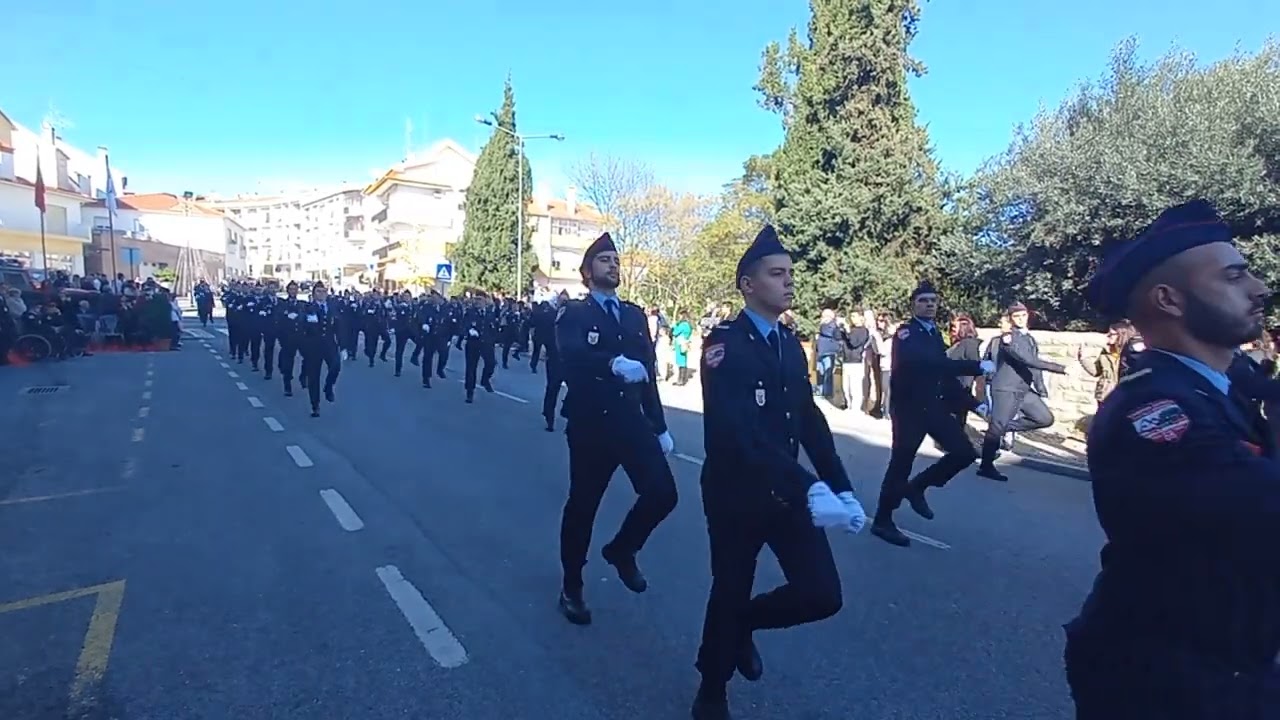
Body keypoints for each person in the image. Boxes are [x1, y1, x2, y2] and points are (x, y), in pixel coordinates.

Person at [1066, 199, 1280, 716]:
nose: (1259, 288)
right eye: (1233, 277)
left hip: (1228, 663)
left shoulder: (1222, 389)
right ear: (1169, 299)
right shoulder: (1155, 409)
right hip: (1168, 680)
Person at [692, 225, 865, 720]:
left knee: (821, 594)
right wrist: (810, 486)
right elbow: (737, 433)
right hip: (736, 494)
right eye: (777, 273)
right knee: (729, 585)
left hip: (788, 492)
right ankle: (711, 686)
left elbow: (809, 421)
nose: (789, 282)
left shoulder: (790, 344)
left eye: (790, 273)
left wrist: (842, 487)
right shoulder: (724, 345)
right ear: (748, 284)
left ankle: (741, 625)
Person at [554, 232, 677, 626]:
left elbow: (647, 373)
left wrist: (659, 425)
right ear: (588, 271)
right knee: (583, 506)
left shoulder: (633, 315)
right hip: (591, 425)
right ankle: (572, 584)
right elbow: (571, 356)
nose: (613, 265)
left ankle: (623, 548)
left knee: (663, 493)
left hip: (631, 422)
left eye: (616, 260)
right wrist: (609, 363)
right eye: (605, 260)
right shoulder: (574, 313)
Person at [870, 281, 993, 548]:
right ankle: (883, 520)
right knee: (901, 463)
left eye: (933, 301)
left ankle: (918, 486)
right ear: (913, 305)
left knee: (965, 453)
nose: (929, 305)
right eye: (923, 300)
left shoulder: (933, 334)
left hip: (933, 407)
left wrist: (974, 405)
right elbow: (929, 364)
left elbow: (943, 376)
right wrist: (976, 366)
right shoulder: (906, 333)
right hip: (909, 409)